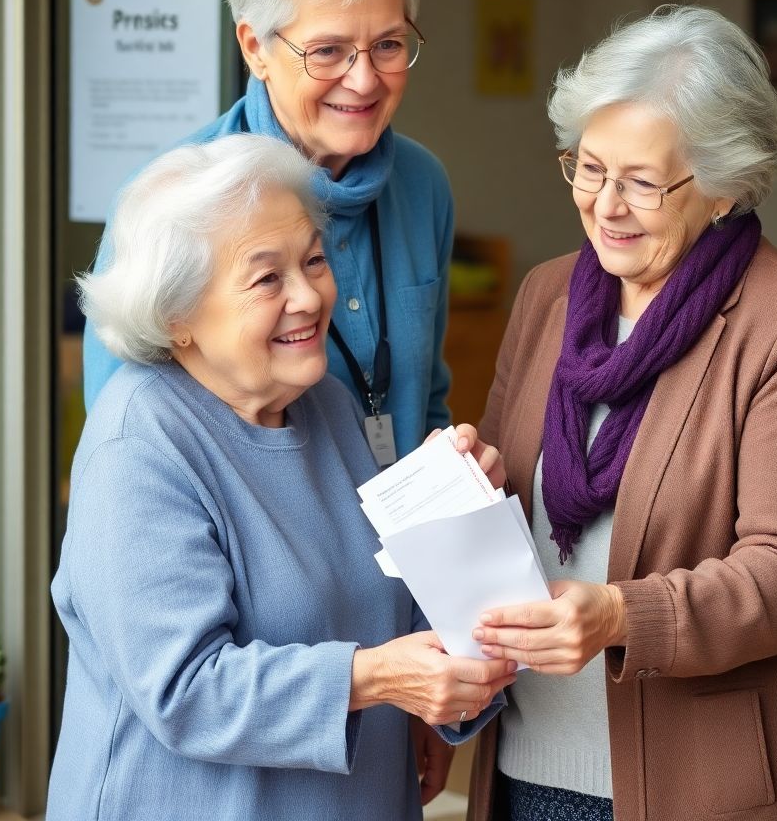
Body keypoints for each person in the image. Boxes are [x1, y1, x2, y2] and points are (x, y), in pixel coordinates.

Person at [465, 6, 777, 820]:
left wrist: (621, 614)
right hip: (529, 767)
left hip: (706, 786)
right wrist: (474, 483)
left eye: (642, 181)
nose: (605, 205)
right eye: (588, 167)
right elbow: (519, 511)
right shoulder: (547, 295)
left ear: (723, 186)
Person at [48, 134, 516, 821]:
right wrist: (377, 677)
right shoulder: (138, 444)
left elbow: (389, 601)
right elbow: (187, 688)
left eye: (315, 261)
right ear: (178, 316)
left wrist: (463, 522)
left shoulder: (324, 401)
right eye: (268, 278)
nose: (308, 296)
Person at [84, 0, 452, 463]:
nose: (363, 80)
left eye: (388, 44)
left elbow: (426, 395)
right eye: (328, 50)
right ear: (255, 47)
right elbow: (125, 447)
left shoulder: (423, 184)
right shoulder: (178, 204)